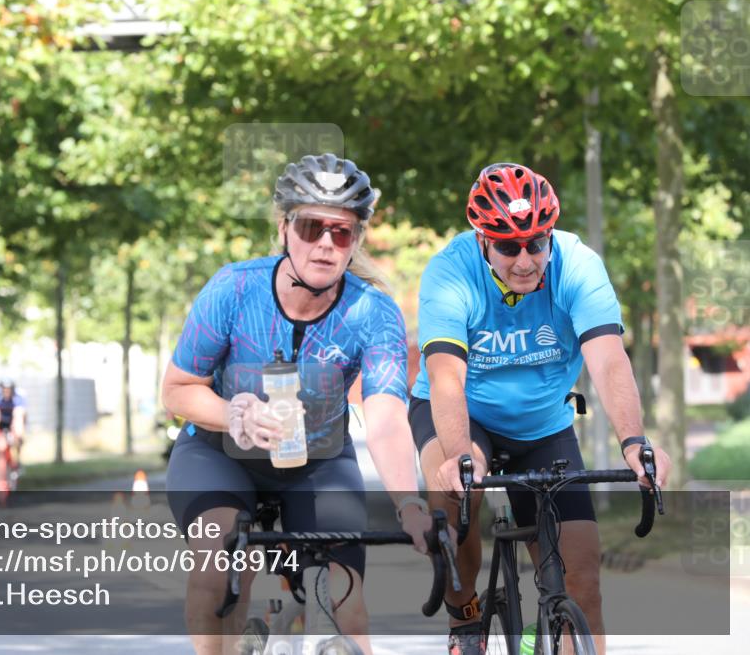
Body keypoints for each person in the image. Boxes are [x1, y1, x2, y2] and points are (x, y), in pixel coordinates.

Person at [162, 153, 435, 655]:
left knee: (347, 608)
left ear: (356, 241)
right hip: (219, 454)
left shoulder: (372, 312)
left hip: (318, 463)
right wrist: (234, 414)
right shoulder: (234, 288)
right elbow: (176, 390)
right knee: (215, 573)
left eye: (342, 232)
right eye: (312, 228)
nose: (326, 244)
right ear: (285, 228)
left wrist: (409, 502)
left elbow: (387, 416)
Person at [409, 162, 673, 655]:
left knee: (583, 582)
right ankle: (465, 615)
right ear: (483, 239)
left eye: (536, 242)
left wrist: (634, 442)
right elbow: (446, 376)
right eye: (508, 247)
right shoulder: (450, 271)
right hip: (463, 415)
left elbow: (609, 360)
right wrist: (459, 453)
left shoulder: (577, 265)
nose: (526, 260)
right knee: (453, 490)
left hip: (543, 425)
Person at [0, 377, 27, 494]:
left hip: (13, 422)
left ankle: (17, 463)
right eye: (4, 389)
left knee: (18, 434)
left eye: (9, 390)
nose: (6, 392)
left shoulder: (19, 396)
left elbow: (19, 416)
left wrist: (16, 434)